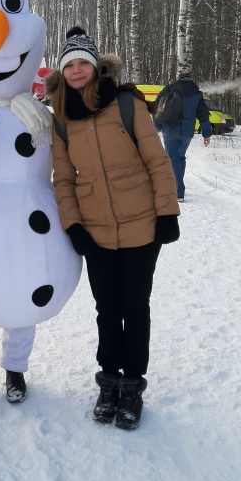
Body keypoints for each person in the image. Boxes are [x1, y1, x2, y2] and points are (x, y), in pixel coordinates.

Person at [46, 26, 180, 430]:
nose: (76, 70)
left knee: (135, 308)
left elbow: (157, 159)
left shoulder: (126, 103)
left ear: (96, 65)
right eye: (69, 64)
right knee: (107, 309)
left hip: (141, 226)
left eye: (82, 62)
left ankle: (133, 387)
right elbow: (63, 177)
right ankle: (109, 382)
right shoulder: (61, 117)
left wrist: (166, 211)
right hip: (96, 229)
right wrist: (72, 224)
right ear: (62, 70)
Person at [153, 69, 212, 201]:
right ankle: (178, 185)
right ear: (191, 79)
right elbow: (203, 115)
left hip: (170, 130)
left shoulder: (169, 89)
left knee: (172, 159)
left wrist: (156, 126)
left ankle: (178, 191)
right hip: (187, 132)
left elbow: (157, 107)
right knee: (180, 157)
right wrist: (206, 134)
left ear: (178, 78)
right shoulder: (196, 94)